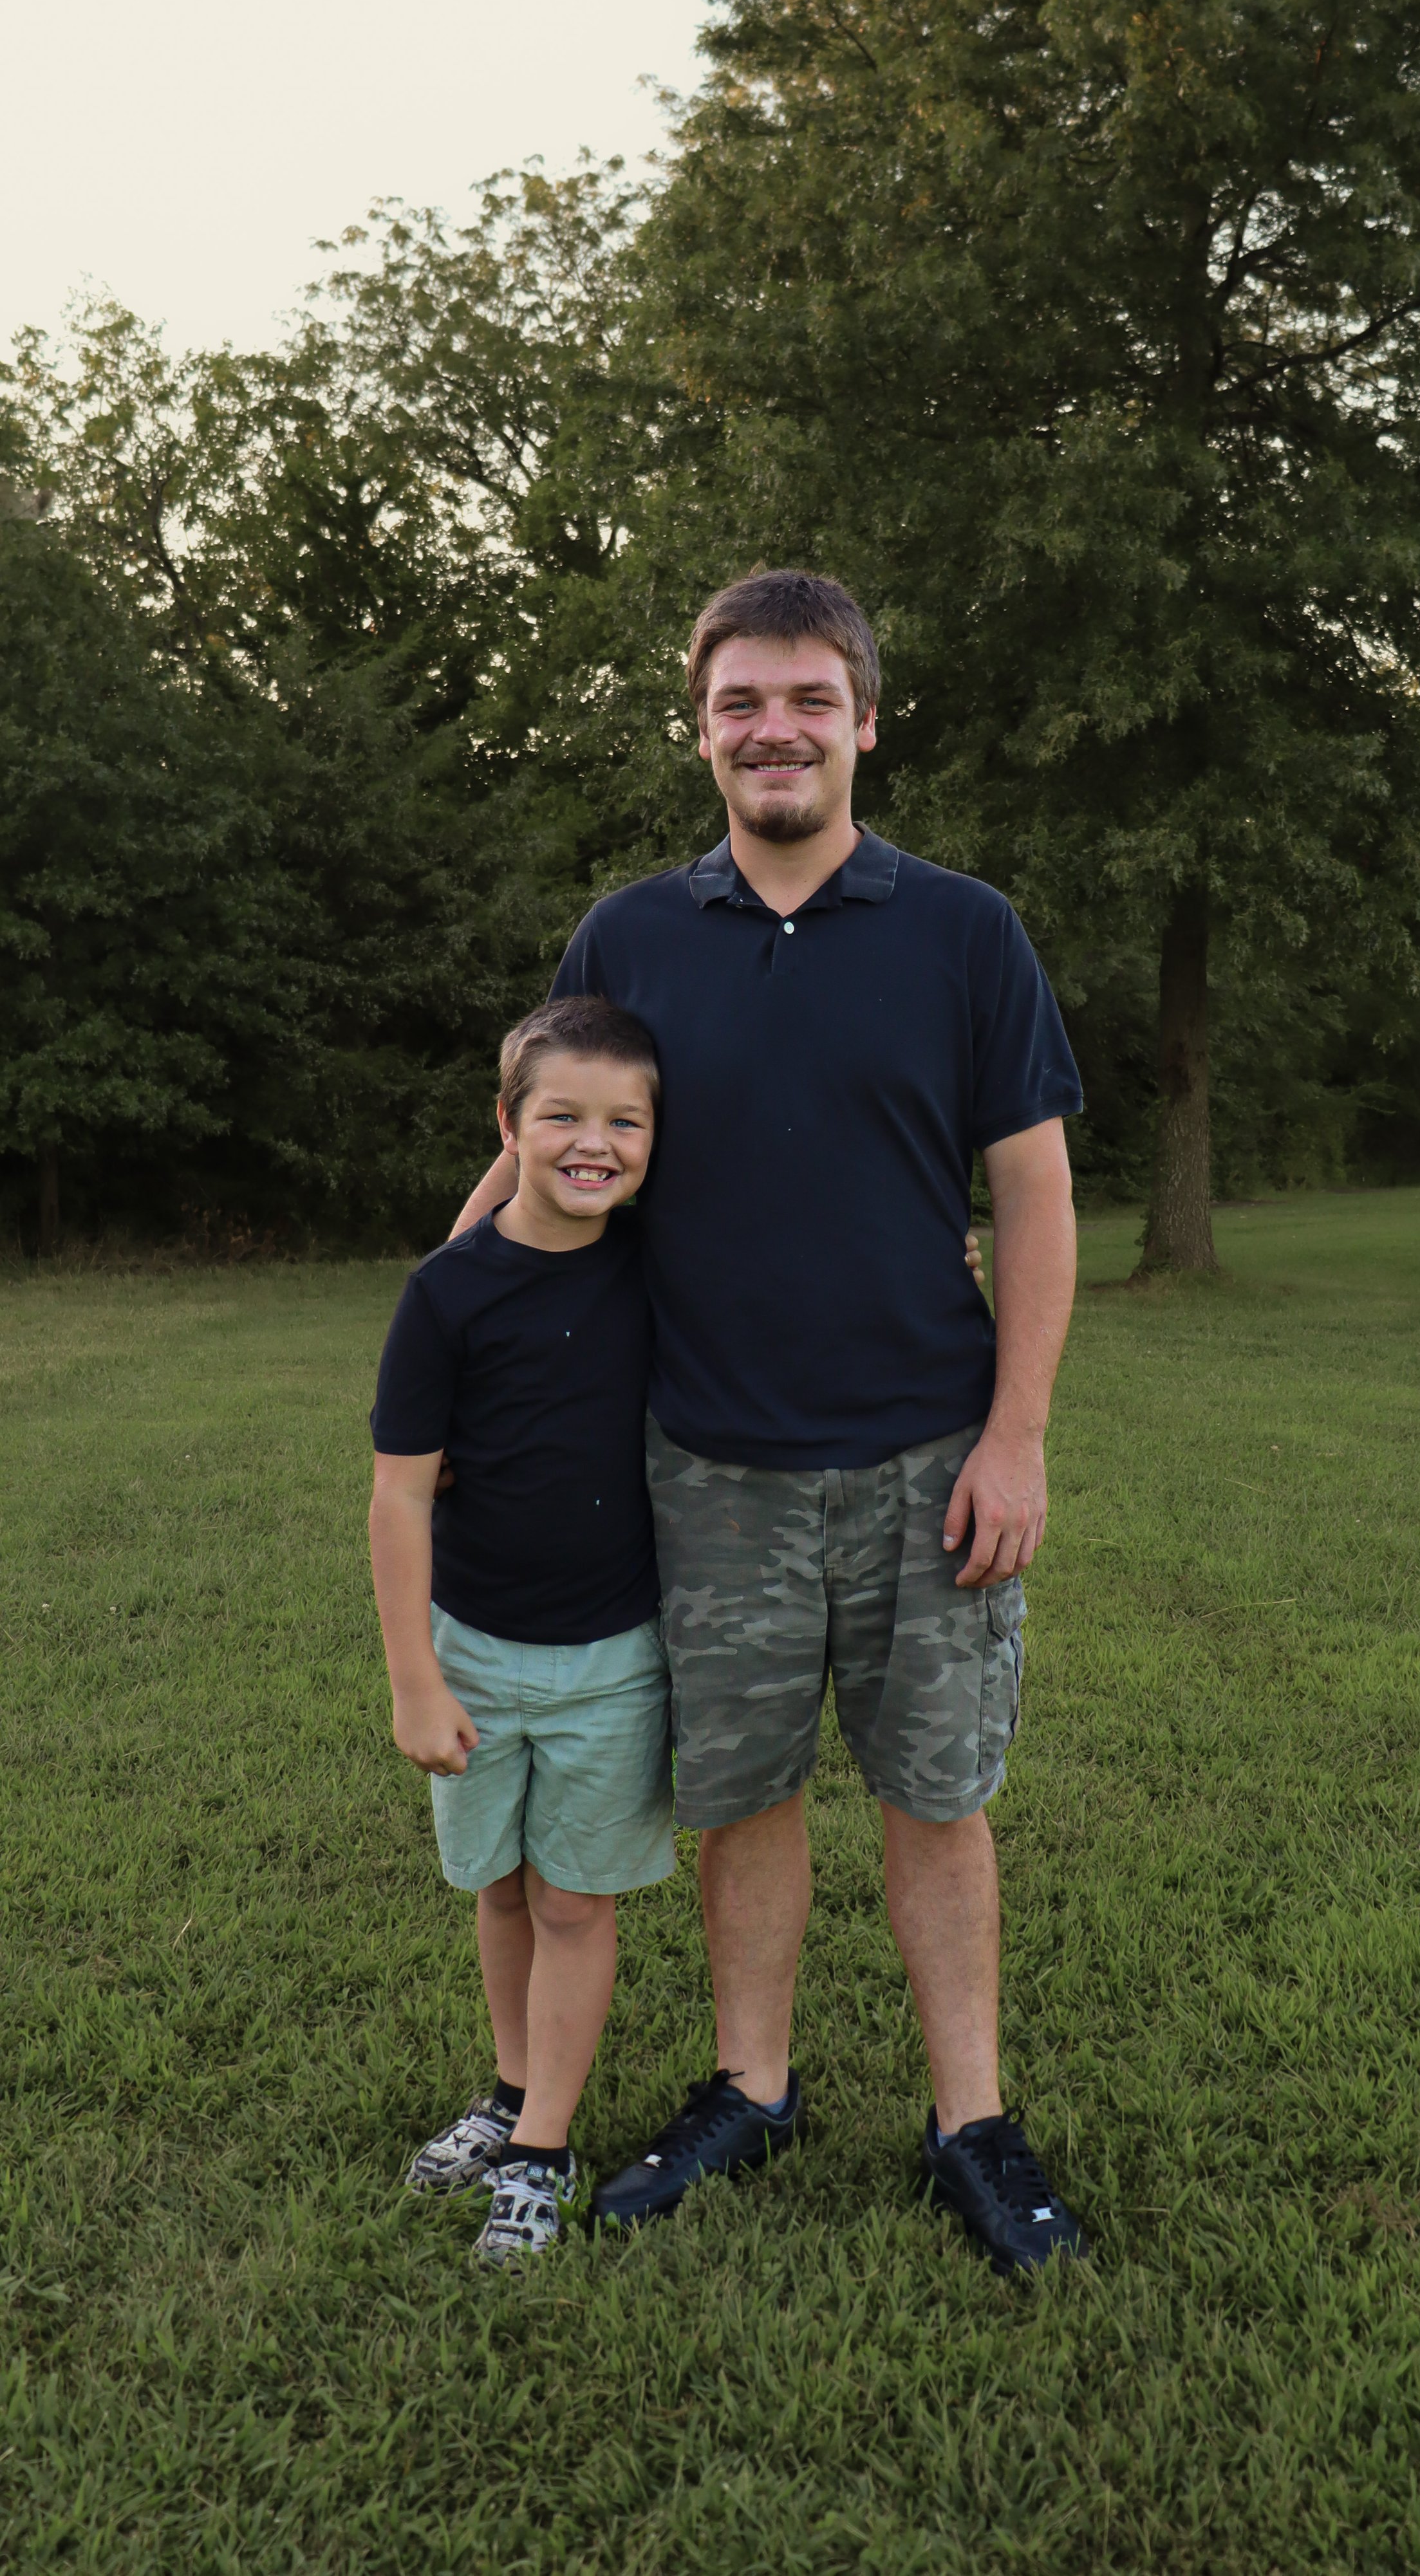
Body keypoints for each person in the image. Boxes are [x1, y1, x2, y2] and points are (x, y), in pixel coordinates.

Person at [453, 569, 1087, 2273]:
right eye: (742, 700)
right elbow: (549, 1150)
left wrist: (1014, 1431)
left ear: (864, 720)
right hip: (706, 1462)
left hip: (924, 1457)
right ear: (705, 727)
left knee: (933, 1796)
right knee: (741, 1795)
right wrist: (444, 1330)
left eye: (809, 697)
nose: (774, 727)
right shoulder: (631, 936)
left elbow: (1029, 1194)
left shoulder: (964, 930)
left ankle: (971, 2119)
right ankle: (751, 2084)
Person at [369, 996, 672, 2266]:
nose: (591, 1142)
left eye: (623, 1121)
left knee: (570, 1905)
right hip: (475, 1653)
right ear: (508, 1127)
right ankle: (505, 2093)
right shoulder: (445, 1293)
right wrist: (414, 1681)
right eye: (560, 1116)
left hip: (616, 1659)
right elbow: (396, 1491)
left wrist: (948, 1263)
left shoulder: (663, 1263)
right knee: (498, 1888)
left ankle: (542, 2145)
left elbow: (805, 1273)